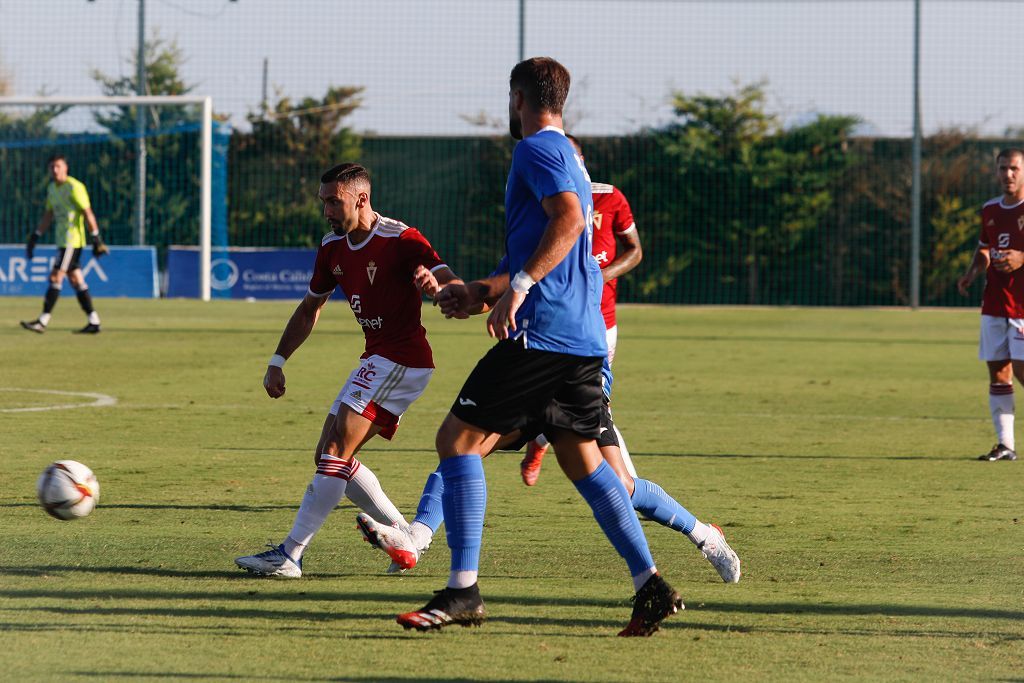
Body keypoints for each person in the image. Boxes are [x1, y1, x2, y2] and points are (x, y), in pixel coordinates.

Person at [392, 57, 682, 638]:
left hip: (543, 334)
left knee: (457, 440)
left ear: (518, 98)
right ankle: (649, 583)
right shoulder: (570, 158)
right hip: (581, 339)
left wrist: (518, 291)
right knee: (584, 462)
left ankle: (463, 590)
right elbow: (550, 244)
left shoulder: (536, 150)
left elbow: (570, 221)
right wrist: (479, 291)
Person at [358, 269, 741, 584]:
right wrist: (458, 296)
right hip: (526, 377)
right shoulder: (531, 241)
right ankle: (416, 539)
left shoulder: (568, 254)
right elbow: (498, 292)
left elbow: (532, 293)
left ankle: (705, 537)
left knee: (621, 486)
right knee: (463, 449)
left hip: (573, 378)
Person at [234, 162, 463, 577]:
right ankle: (405, 539)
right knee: (328, 455)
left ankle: (289, 555)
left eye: (333, 202)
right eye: (323, 202)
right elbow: (310, 309)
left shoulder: (401, 238)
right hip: (377, 357)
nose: (326, 211)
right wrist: (277, 361)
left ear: (361, 198)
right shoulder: (332, 248)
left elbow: (452, 282)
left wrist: (439, 286)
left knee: (337, 450)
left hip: (403, 358)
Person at [520, 133, 643, 485]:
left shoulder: (609, 196)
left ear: (581, 161)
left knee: (594, 401)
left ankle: (544, 441)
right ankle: (627, 487)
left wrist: (600, 277)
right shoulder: (544, 200)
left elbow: (635, 250)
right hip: (557, 320)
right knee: (573, 399)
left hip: (601, 323)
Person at [957, 147, 1024, 462]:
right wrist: (972, 272)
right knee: (998, 372)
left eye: (1013, 168)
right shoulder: (990, 209)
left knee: (1022, 371)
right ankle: (1006, 445)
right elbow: (985, 248)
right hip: (995, 302)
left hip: (1023, 306)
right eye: (1002, 169)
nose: (1007, 175)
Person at [20, 153, 108, 334]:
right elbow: (49, 214)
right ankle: (94, 321)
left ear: (66, 168)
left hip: (72, 240)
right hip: (61, 241)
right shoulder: (52, 188)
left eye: (58, 166)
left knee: (55, 277)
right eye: (52, 167)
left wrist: (96, 238)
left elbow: (87, 213)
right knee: (76, 280)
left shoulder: (75, 187)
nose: (55, 170)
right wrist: (35, 236)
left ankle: (42, 321)